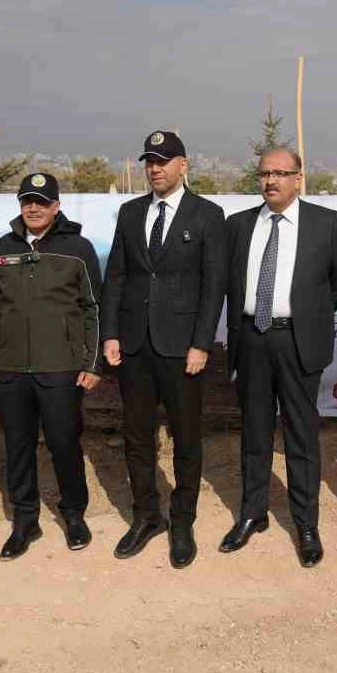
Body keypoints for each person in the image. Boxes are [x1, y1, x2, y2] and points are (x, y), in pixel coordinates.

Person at [100, 130, 227, 568]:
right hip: (134, 345)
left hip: (181, 348)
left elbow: (214, 286)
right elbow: (117, 276)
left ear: (183, 165)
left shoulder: (207, 214)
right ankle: (146, 516)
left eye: (163, 161)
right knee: (137, 436)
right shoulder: (131, 212)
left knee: (186, 437)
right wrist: (110, 333)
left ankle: (183, 521)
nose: (155, 168)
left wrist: (201, 343)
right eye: (150, 161)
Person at [220, 147, 337, 567]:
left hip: (297, 341)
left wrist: (307, 318)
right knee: (254, 433)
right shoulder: (238, 225)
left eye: (280, 173)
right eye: (264, 174)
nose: (271, 180)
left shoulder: (325, 224)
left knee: (301, 435)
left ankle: (306, 524)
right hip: (251, 339)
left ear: (298, 178)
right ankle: (252, 513)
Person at [0, 173, 102, 560]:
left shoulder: (78, 249)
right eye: (27, 201)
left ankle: (74, 514)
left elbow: (93, 308)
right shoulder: (3, 249)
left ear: (56, 206)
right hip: (11, 368)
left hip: (61, 368)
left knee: (64, 443)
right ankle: (25, 520)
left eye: (41, 201)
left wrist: (92, 363)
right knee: (17, 446)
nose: (33, 208)